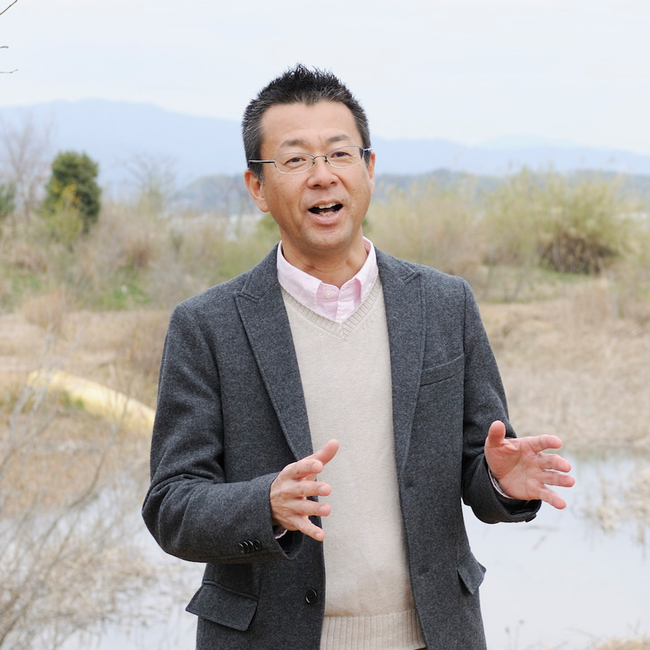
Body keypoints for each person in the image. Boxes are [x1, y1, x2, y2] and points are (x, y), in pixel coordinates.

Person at [142, 65, 575, 650]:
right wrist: (263, 504)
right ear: (257, 188)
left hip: (433, 635)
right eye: (295, 159)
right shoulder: (207, 326)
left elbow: (478, 466)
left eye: (340, 154)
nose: (322, 176)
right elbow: (171, 504)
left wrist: (500, 482)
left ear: (368, 169)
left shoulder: (444, 304)